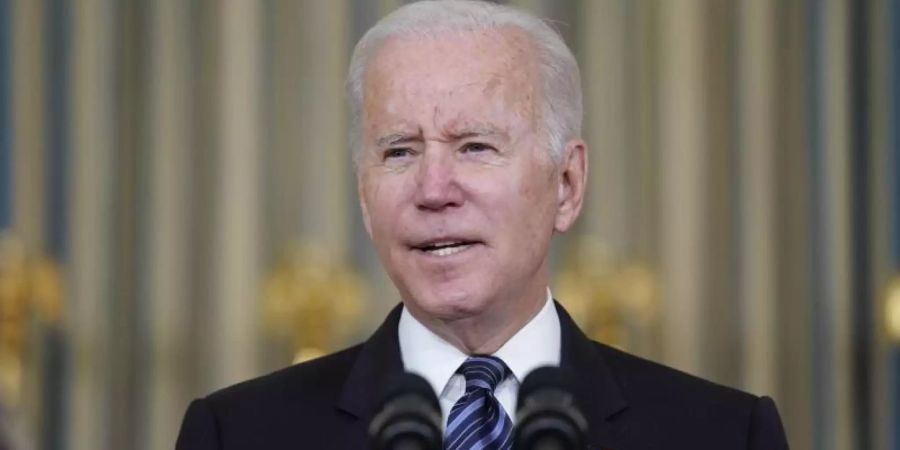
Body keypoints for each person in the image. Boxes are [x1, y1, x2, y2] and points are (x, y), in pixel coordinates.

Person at [175, 1, 789, 449]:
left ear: (567, 185)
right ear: (364, 195)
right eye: (399, 152)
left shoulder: (723, 434)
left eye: (475, 146)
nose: (434, 190)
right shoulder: (239, 434)